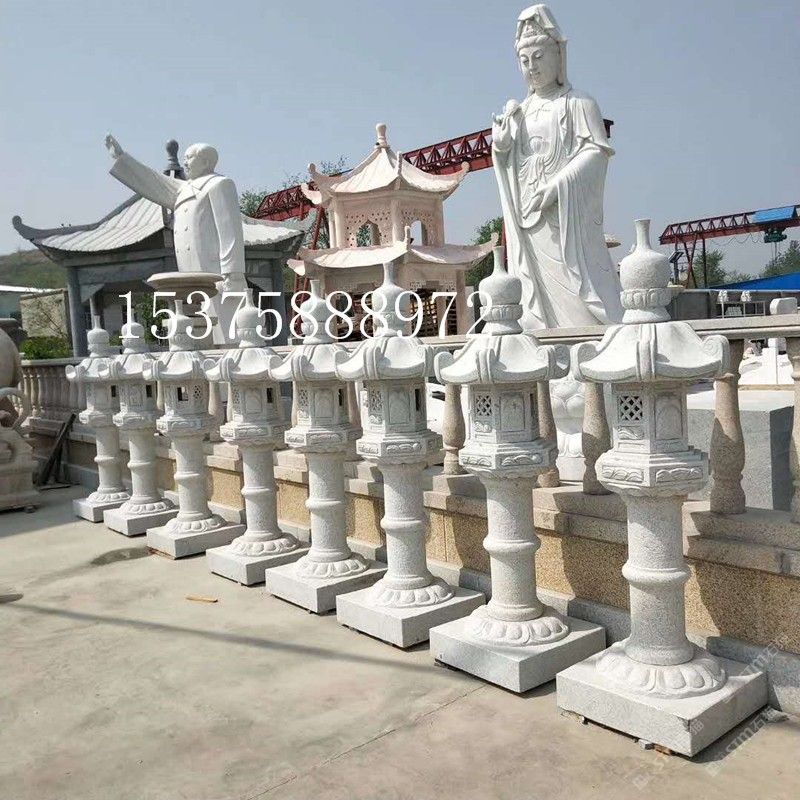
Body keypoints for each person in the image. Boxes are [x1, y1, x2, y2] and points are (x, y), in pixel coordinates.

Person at [492, 4, 623, 329]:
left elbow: (596, 153)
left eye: (538, 57)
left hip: (567, 223)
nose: (532, 67)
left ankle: (588, 342)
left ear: (558, 56)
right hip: (530, 221)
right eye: (524, 61)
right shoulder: (519, 112)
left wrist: (558, 185)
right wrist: (502, 146)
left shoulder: (579, 103)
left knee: (577, 293)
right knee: (535, 296)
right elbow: (509, 164)